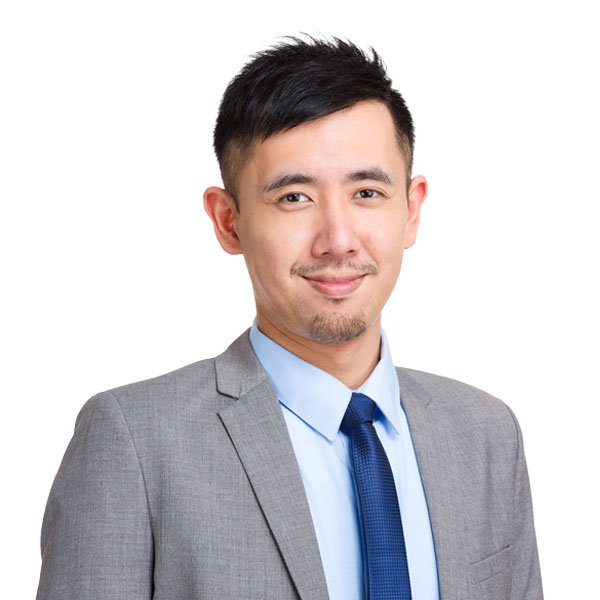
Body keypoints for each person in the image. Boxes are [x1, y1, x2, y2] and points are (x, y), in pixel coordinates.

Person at [36, 36, 543, 600]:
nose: (337, 239)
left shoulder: (486, 435)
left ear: (411, 209)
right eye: (294, 197)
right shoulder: (134, 442)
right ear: (228, 221)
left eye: (367, 192)